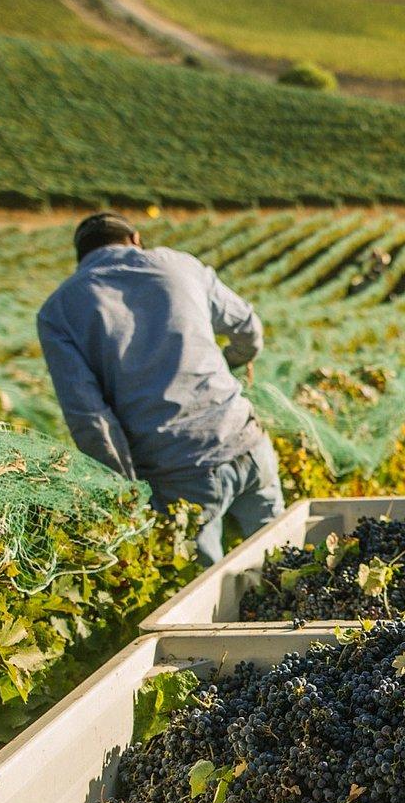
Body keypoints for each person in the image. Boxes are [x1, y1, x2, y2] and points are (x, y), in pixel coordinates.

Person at [37, 212, 285, 563]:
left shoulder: (59, 310)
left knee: (209, 602)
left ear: (81, 257)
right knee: (285, 567)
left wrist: (129, 490)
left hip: (179, 473)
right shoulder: (180, 265)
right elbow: (249, 329)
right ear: (136, 239)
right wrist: (226, 362)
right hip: (248, 443)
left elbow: (90, 419)